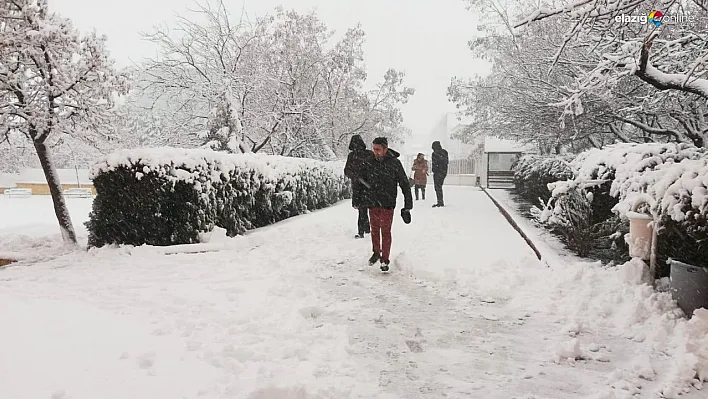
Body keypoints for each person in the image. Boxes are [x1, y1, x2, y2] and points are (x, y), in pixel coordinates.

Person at [358, 137, 413, 272]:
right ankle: (376, 252)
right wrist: (359, 199)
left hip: (387, 202)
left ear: (385, 149)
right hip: (372, 201)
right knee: (374, 229)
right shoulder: (369, 162)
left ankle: (385, 259)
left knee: (386, 231)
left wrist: (407, 206)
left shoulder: (394, 164)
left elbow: (404, 184)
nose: (375, 152)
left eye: (378, 149)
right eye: (374, 149)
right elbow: (360, 181)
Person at [344, 134, 371, 238]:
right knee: (364, 207)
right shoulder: (368, 154)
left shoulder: (352, 156)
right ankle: (365, 228)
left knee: (362, 208)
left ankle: (362, 231)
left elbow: (347, 170)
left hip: (360, 185)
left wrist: (354, 176)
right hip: (366, 184)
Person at [431, 141, 449, 207]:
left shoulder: (435, 154)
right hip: (443, 172)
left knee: (437, 187)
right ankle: (440, 201)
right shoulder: (444, 152)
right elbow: (446, 162)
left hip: (438, 172)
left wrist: (435, 170)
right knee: (439, 186)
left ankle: (440, 201)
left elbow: (434, 164)